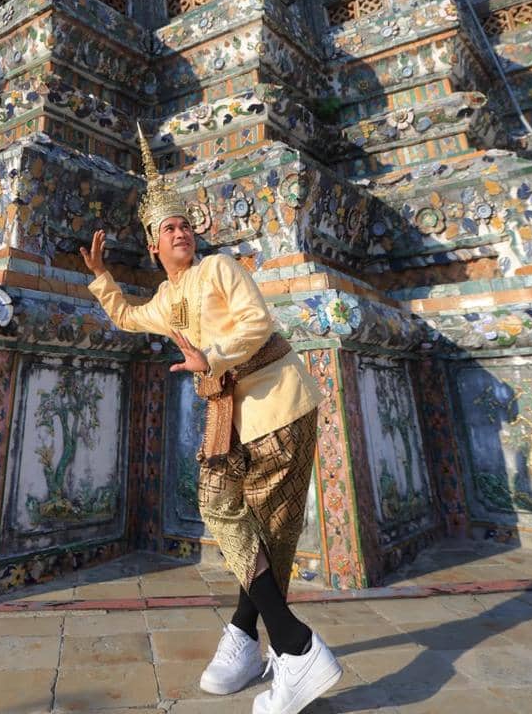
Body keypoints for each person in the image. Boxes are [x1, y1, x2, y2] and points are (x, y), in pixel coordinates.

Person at [79, 129, 342, 714]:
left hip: (279, 402)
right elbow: (126, 315)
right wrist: (100, 276)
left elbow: (257, 322)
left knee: (262, 530)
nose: (181, 232)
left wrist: (212, 357)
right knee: (231, 512)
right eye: (168, 229)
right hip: (238, 416)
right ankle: (269, 642)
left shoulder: (220, 268)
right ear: (153, 246)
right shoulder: (168, 300)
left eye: (184, 225)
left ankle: (280, 647)